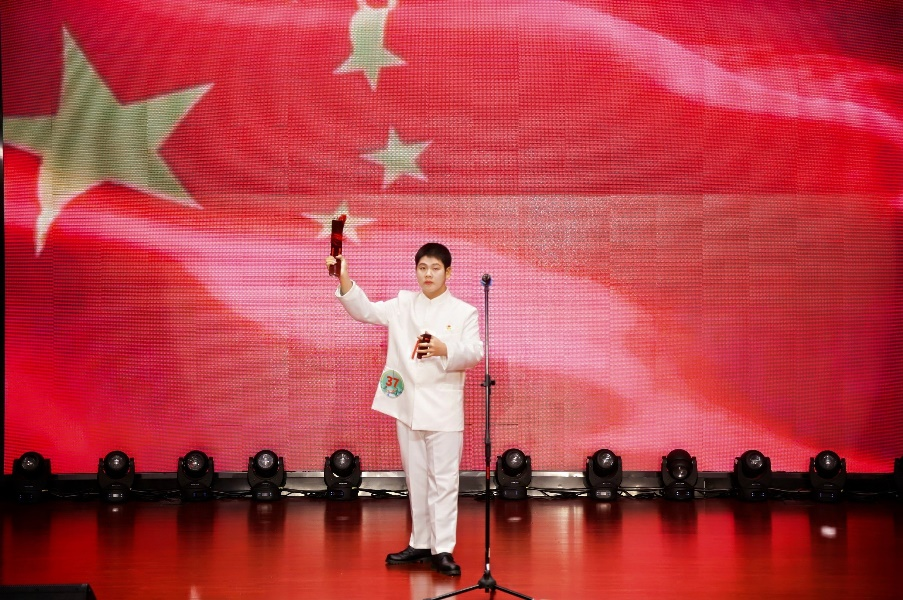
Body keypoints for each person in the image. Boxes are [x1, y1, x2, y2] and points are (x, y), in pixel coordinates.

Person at [326, 243, 483, 576]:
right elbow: (365, 311)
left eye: (435, 268)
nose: (428, 274)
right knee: (417, 479)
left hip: (443, 408)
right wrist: (344, 277)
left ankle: (443, 549)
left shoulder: (464, 311)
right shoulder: (402, 304)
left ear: (448, 272)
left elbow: (474, 352)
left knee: (444, 482)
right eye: (422, 268)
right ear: (416, 271)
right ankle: (421, 542)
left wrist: (444, 348)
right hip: (408, 406)